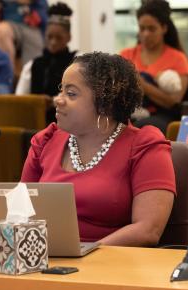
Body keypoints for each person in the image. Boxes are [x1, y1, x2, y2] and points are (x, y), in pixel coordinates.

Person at [21, 52, 176, 247]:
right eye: (61, 90)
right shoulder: (45, 141)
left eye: (71, 94)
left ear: (104, 103)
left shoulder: (145, 146)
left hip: (111, 265)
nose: (58, 100)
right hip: (44, 258)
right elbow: (20, 211)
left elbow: (147, 230)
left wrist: (85, 254)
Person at [120, 0, 188, 133]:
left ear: (164, 28)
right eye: (142, 28)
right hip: (131, 112)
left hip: (164, 115)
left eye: (152, 29)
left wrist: (142, 85)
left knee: (142, 128)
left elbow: (174, 101)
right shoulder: (126, 54)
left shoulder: (178, 58)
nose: (146, 34)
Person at [15, 2, 76, 124]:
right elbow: (19, 100)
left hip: (69, 125)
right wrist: (36, 101)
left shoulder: (77, 63)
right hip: (37, 126)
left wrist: (54, 101)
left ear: (69, 37)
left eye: (59, 38)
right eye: (50, 37)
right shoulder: (33, 65)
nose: (53, 42)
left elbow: (81, 96)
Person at [0, 0, 48, 74]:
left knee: (34, 70)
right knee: (1, 30)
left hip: (33, 28)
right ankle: (6, 78)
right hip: (9, 26)